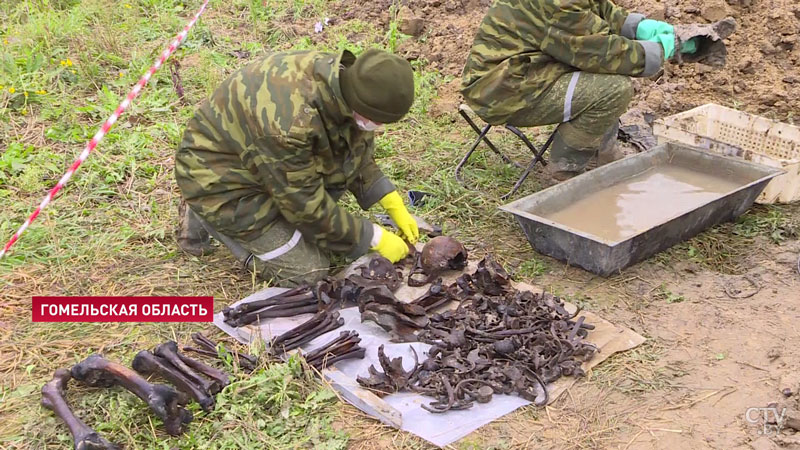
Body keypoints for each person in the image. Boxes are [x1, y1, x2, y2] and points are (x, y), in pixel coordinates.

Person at [174, 49, 419, 286]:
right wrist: (373, 237)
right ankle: (209, 214)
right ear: (358, 104)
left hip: (260, 160)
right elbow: (305, 207)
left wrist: (385, 195)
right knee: (310, 272)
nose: (377, 128)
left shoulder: (342, 80)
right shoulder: (292, 124)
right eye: (376, 121)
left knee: (328, 217)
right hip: (218, 177)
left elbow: (352, 145)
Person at [461, 0, 700, 180]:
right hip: (503, 91)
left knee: (607, 79)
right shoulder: (558, 5)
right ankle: (565, 170)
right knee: (614, 89)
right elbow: (604, 53)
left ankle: (601, 155)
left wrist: (640, 27)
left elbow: (598, 12)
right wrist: (660, 49)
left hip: (521, 72)